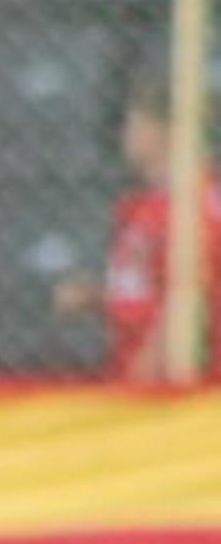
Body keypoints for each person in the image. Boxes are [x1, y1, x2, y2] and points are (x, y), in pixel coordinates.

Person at [52, 75, 219, 383]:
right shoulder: (145, 205)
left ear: (165, 132)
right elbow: (148, 295)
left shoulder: (195, 206)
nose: (127, 136)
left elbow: (189, 303)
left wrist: (145, 380)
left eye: (136, 124)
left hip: (171, 390)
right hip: (132, 373)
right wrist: (98, 298)